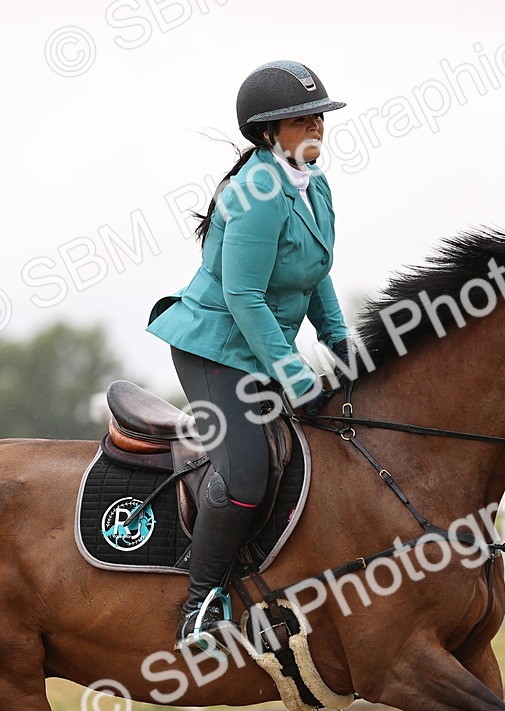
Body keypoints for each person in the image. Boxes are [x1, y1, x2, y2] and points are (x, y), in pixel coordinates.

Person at [147, 60, 352, 650]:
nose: (317, 123)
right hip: (216, 351)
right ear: (269, 133)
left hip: (260, 347)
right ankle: (201, 604)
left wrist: (339, 342)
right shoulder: (256, 195)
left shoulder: (316, 185)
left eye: (319, 114)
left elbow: (315, 273)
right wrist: (293, 371)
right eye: (301, 117)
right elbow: (242, 296)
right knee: (246, 474)